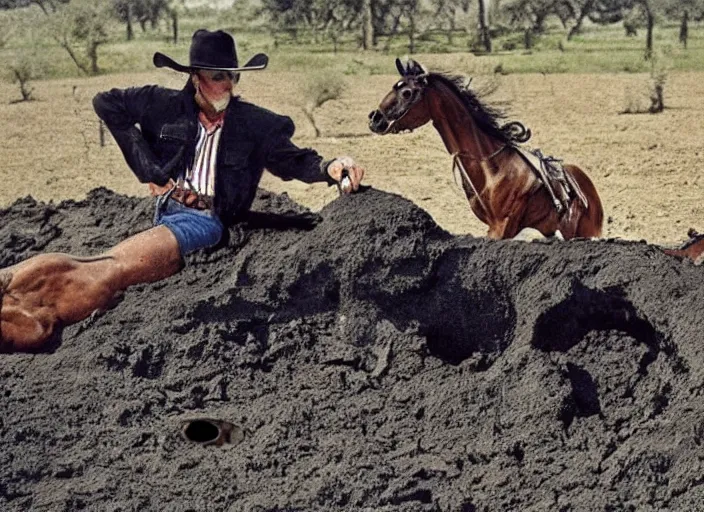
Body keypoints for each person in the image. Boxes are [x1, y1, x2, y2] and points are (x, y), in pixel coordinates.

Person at [0, 29, 364, 353]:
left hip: (205, 221)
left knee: (114, 266)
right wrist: (148, 169)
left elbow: (294, 160)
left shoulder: (256, 123)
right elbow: (106, 103)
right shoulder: (164, 104)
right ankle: (9, 286)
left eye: (232, 77)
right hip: (167, 207)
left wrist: (330, 168)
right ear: (195, 78)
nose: (227, 86)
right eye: (217, 77)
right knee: (75, 262)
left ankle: (37, 326)